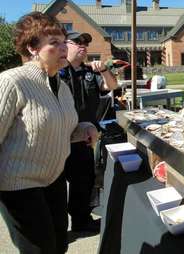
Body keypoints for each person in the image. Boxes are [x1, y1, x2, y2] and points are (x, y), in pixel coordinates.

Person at [0, 12, 97, 253]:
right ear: (33, 48)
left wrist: (84, 128)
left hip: (53, 181)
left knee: (59, 246)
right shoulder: (12, 81)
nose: (64, 47)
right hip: (19, 185)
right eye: (54, 43)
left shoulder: (61, 86)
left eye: (64, 41)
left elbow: (60, 129)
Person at [60, 31, 117, 232]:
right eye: (78, 42)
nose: (83, 46)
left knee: (84, 181)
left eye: (85, 43)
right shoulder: (56, 72)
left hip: (85, 137)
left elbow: (112, 86)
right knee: (57, 186)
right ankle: (59, 228)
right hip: (59, 137)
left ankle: (80, 221)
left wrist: (104, 70)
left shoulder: (90, 72)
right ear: (65, 45)